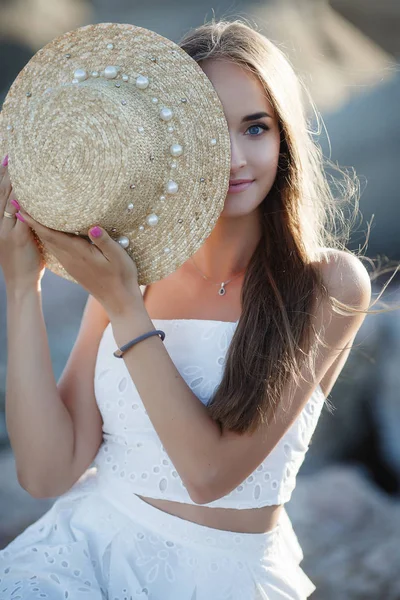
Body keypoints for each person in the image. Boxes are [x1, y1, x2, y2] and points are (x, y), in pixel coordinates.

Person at [0, 19, 376, 600]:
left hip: (227, 577)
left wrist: (125, 307)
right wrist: (25, 290)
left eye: (255, 128)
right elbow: (47, 473)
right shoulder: (136, 270)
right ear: (167, 139)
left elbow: (209, 477)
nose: (233, 158)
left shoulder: (327, 284)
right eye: (207, 131)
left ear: (285, 138)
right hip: (83, 555)